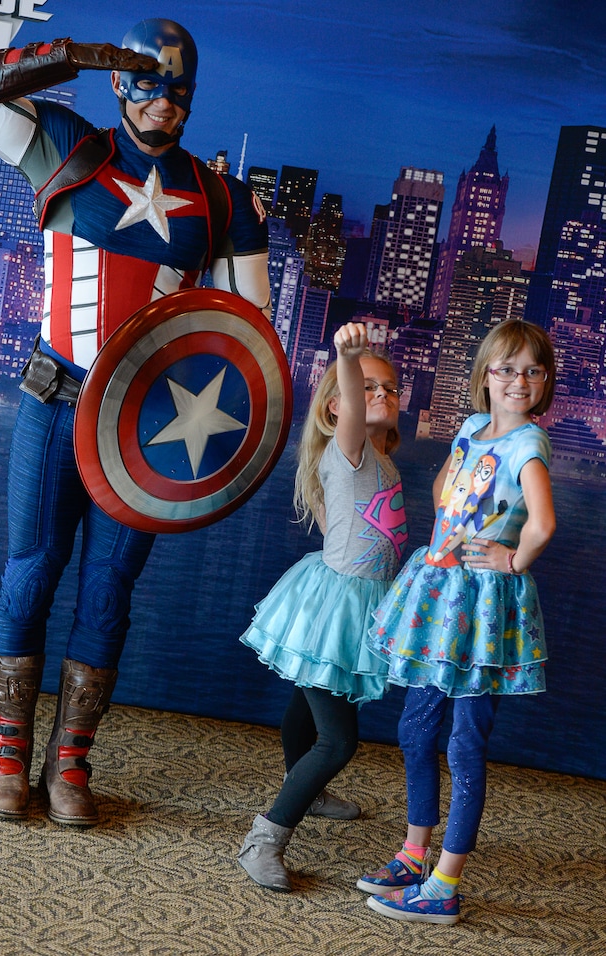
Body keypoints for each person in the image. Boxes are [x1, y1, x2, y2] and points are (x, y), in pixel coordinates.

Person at [0, 19, 271, 826]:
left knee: (108, 590)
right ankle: (8, 750)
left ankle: (71, 762)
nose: (164, 100)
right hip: (55, 400)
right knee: (31, 568)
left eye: (179, 87)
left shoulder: (222, 198)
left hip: (145, 432)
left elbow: (247, 331)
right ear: (118, 82)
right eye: (147, 80)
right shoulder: (67, 147)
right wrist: (66, 57)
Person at [359, 319, 556, 924]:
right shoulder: (472, 428)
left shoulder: (529, 445)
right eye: (505, 368)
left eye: (530, 370)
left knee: (465, 744)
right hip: (440, 592)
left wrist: (511, 556)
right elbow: (449, 482)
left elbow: (543, 523)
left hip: (483, 609)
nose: (517, 380)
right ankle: (415, 852)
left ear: (543, 381)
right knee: (417, 729)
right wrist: (453, 513)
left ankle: (446, 883)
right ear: (485, 377)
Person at [238, 322, 409, 892]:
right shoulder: (352, 451)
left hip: (359, 607)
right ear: (338, 409)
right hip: (332, 606)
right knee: (337, 740)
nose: (380, 395)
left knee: (303, 708)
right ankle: (264, 837)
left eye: (390, 387)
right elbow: (357, 401)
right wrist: (350, 356)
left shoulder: (383, 460)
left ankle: (303, 789)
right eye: (367, 388)